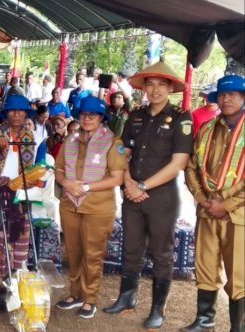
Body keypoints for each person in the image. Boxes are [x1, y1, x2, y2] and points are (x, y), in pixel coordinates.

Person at [103, 62, 193, 331]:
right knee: (131, 248)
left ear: (170, 89)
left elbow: (178, 163)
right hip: (132, 193)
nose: (154, 90)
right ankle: (126, 297)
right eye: (150, 84)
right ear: (144, 88)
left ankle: (157, 309)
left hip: (162, 197)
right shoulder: (137, 115)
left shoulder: (180, 117)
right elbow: (124, 152)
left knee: (161, 253)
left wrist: (141, 187)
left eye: (161, 85)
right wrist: (128, 181)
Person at [53, 96, 127, 318]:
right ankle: (75, 294)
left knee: (92, 253)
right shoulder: (71, 140)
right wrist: (66, 183)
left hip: (97, 207)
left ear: (101, 118)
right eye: (84, 114)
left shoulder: (113, 143)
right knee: (73, 252)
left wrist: (85, 186)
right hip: (70, 205)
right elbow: (58, 170)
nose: (87, 118)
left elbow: (117, 178)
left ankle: (90, 298)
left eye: (92, 115)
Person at [181, 75, 244, 332]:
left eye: (233, 94)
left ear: (243, 97)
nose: (226, 99)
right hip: (207, 210)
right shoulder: (207, 129)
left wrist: (225, 205)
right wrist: (203, 199)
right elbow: (191, 166)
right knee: (205, 265)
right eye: (222, 95)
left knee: (239, 271)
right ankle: (205, 319)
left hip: (238, 215)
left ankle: (238, 326)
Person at [0, 94, 36, 292]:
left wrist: (33, 181)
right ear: (5, 113)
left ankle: (16, 285)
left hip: (22, 194)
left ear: (26, 113)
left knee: (19, 239)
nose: (17, 114)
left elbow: (39, 165)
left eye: (21, 111)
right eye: (12, 110)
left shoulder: (33, 137)